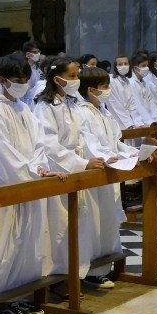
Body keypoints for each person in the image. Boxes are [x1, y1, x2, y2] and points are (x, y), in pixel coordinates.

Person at [0, 53, 66, 314]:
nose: (22, 85)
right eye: (17, 80)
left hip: (30, 184)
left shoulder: (23, 108)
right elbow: (1, 152)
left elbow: (38, 144)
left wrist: (40, 168)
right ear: (2, 80)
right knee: (4, 248)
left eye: (24, 80)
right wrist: (30, 173)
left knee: (26, 245)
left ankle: (20, 296)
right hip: (7, 187)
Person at [34, 57, 112, 291]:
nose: (76, 80)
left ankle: (77, 273)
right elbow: (49, 145)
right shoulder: (46, 107)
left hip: (78, 167)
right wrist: (81, 163)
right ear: (57, 79)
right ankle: (57, 279)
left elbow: (85, 136)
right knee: (60, 226)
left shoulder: (73, 103)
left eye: (77, 75)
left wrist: (96, 158)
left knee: (78, 226)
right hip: (59, 169)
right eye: (72, 76)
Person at [74, 66, 137, 269]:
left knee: (108, 220)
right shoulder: (81, 112)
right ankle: (93, 269)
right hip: (97, 172)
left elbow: (115, 141)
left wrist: (132, 152)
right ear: (91, 90)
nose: (108, 90)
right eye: (105, 86)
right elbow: (88, 143)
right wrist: (109, 157)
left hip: (110, 171)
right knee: (95, 221)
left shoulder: (104, 111)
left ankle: (107, 264)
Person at [103, 56, 142, 129]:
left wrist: (138, 123)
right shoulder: (111, 81)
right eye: (120, 64)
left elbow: (132, 104)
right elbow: (115, 105)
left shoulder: (127, 81)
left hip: (131, 121)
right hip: (119, 121)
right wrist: (129, 125)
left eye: (125, 64)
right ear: (115, 67)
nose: (123, 66)